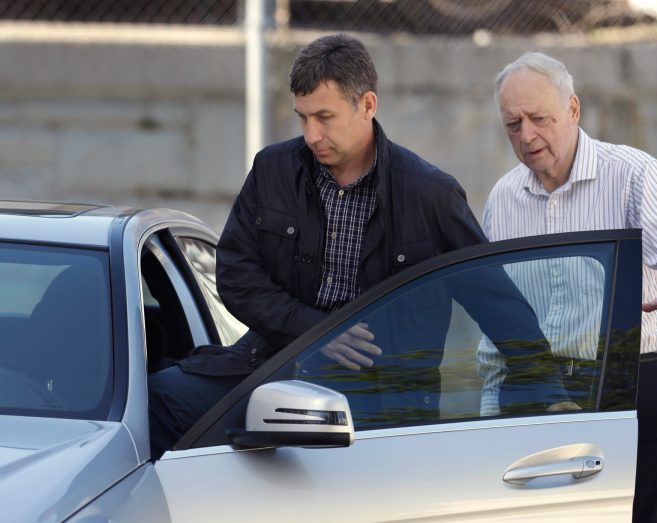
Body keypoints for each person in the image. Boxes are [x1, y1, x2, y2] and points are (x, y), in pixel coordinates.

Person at [148, 33, 495, 459]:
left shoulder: (431, 194)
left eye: (325, 117)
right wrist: (317, 330)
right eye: (302, 118)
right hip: (272, 358)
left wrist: (554, 394)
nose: (312, 135)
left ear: (367, 105)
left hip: (379, 389)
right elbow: (236, 274)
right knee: (157, 398)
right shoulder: (272, 169)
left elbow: (495, 302)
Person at [479, 51, 657, 523]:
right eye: (512, 124)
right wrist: (492, 402)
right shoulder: (503, 198)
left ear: (573, 110)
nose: (527, 136)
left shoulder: (633, 174)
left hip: (632, 376)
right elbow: (494, 309)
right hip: (534, 381)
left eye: (539, 118)